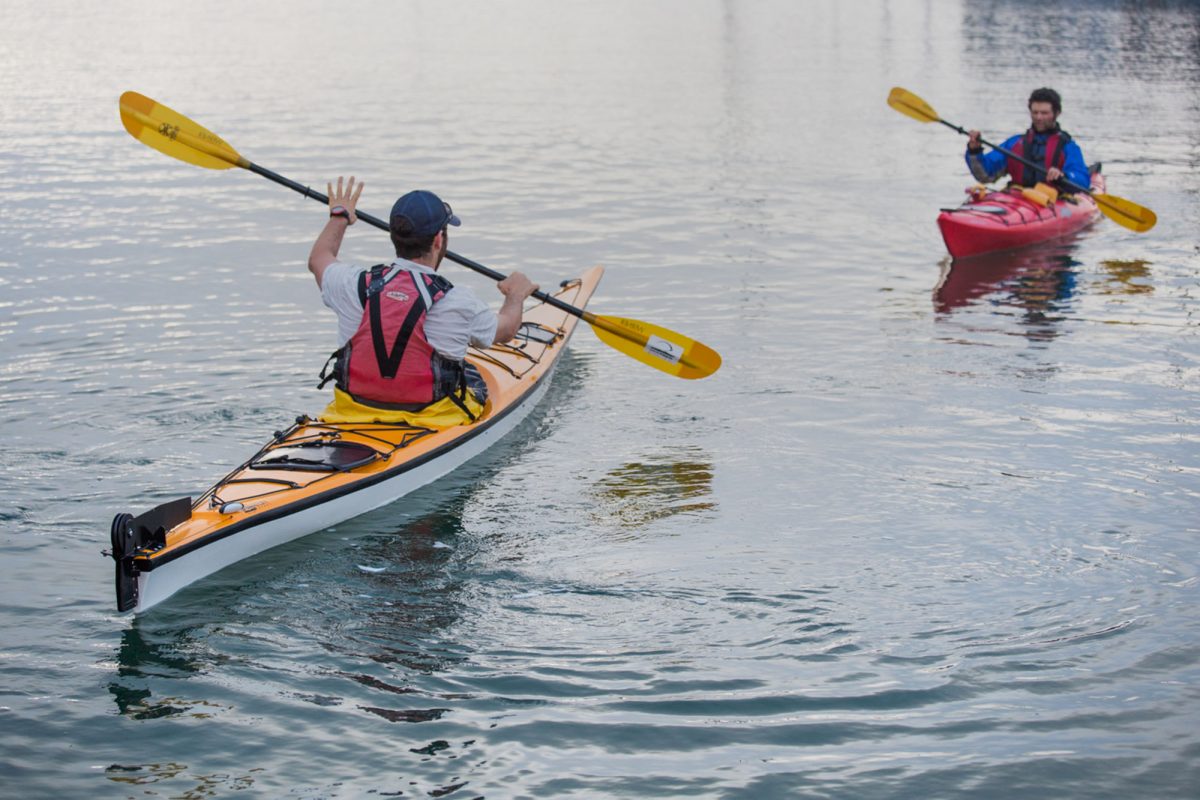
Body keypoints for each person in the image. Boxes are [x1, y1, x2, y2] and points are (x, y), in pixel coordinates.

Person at [307, 176, 539, 426]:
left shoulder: (351, 284)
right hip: (433, 418)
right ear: (439, 239)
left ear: (394, 237)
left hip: (351, 411)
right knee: (470, 373)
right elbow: (505, 330)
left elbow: (319, 258)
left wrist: (339, 216)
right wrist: (515, 296)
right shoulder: (458, 301)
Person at [965, 87, 1090, 192]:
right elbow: (985, 175)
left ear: (1057, 113)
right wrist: (974, 151)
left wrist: (1063, 176)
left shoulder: (1068, 147)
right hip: (1019, 199)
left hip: (1052, 200)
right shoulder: (1014, 144)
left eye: (1044, 113)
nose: (1039, 117)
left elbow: (1082, 180)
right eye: (1035, 112)